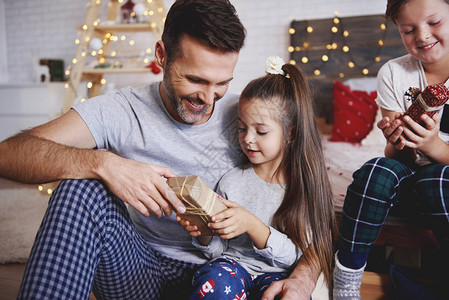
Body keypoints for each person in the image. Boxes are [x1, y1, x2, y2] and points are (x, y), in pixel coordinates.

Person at [0, 1, 319, 299]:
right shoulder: (121, 110)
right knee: (79, 188)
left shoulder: (249, 118)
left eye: (221, 83)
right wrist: (104, 164)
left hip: (227, 274)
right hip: (138, 267)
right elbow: (9, 154)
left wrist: (305, 276)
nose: (208, 99)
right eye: (195, 79)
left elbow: (309, 210)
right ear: (162, 55)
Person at [178, 57, 336, 300]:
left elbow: (296, 255)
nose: (248, 139)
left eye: (261, 131)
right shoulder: (231, 181)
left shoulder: (300, 188)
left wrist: (252, 225)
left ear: (291, 131)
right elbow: (219, 252)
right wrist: (204, 234)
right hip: (231, 268)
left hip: (276, 274)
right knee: (215, 280)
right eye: (242, 128)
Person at [333, 0, 449, 299]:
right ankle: (346, 280)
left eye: (434, 22)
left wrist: (433, 145)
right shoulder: (394, 73)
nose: (422, 36)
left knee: (434, 179)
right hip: (408, 184)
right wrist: (399, 141)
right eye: (409, 30)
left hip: (442, 187)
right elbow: (397, 159)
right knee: (376, 168)